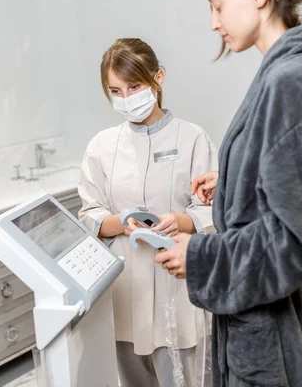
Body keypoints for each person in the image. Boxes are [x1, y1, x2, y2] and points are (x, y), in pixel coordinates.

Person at [155, 0, 302, 386]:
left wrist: (200, 256)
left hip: (278, 331)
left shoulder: (289, 81)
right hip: (273, 315)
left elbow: (300, 238)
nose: (214, 22)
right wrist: (237, 180)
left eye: (217, 4)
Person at [78, 38, 218, 387]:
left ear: (158, 78)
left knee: (182, 375)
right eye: (116, 90)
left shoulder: (192, 138)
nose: (126, 98)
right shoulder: (102, 146)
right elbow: (89, 212)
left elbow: (212, 209)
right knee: (131, 375)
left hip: (175, 280)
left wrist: (179, 220)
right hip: (124, 286)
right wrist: (122, 222)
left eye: (135, 86)